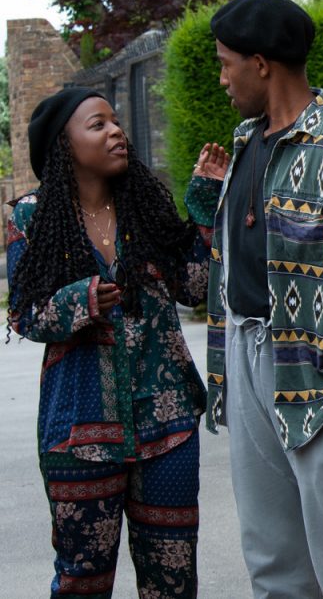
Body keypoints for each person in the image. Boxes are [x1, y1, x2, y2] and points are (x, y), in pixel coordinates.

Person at [6, 87, 227, 598]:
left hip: (167, 425)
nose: (116, 132)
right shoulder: (29, 218)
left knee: (172, 580)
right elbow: (23, 312)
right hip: (78, 432)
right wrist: (81, 300)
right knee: (82, 579)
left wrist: (203, 208)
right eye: (98, 124)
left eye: (116, 122)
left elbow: (196, 287)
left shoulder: (145, 206)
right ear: (65, 144)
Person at [203, 0, 323, 597]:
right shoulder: (246, 140)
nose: (221, 77)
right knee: (270, 553)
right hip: (247, 355)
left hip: (321, 376)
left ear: (260, 64)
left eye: (226, 63)